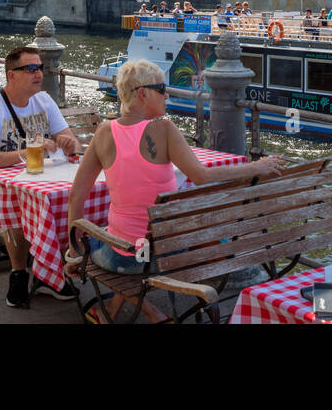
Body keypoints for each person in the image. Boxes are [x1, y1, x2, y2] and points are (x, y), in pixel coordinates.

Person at [66, 59, 279, 279]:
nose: (166, 95)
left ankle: (135, 309)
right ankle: (142, 310)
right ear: (142, 94)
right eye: (161, 89)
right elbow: (201, 176)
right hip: (168, 254)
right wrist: (255, 167)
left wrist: (74, 255)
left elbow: (76, 195)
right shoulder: (164, 128)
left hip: (122, 258)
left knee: (97, 236)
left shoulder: (103, 131)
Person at [0, 45, 81, 308]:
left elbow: (71, 139)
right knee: (18, 208)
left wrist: (68, 143)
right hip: (3, 184)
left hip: (41, 178)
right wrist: (24, 152)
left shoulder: (44, 100)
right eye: (30, 68)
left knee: (73, 199)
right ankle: (19, 273)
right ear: (12, 75)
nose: (38, 73)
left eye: (40, 67)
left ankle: (50, 274)